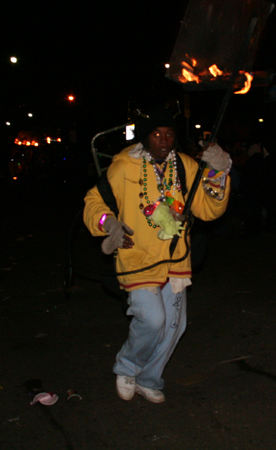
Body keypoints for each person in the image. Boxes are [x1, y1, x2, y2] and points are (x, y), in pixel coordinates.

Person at [83, 107, 231, 403]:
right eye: (156, 134)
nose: (164, 140)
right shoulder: (125, 165)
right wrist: (109, 224)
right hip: (137, 259)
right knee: (152, 320)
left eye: (169, 134)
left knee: (175, 326)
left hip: (175, 259)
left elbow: (208, 210)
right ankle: (128, 367)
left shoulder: (186, 166)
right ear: (145, 137)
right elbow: (94, 201)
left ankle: (149, 378)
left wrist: (217, 172)